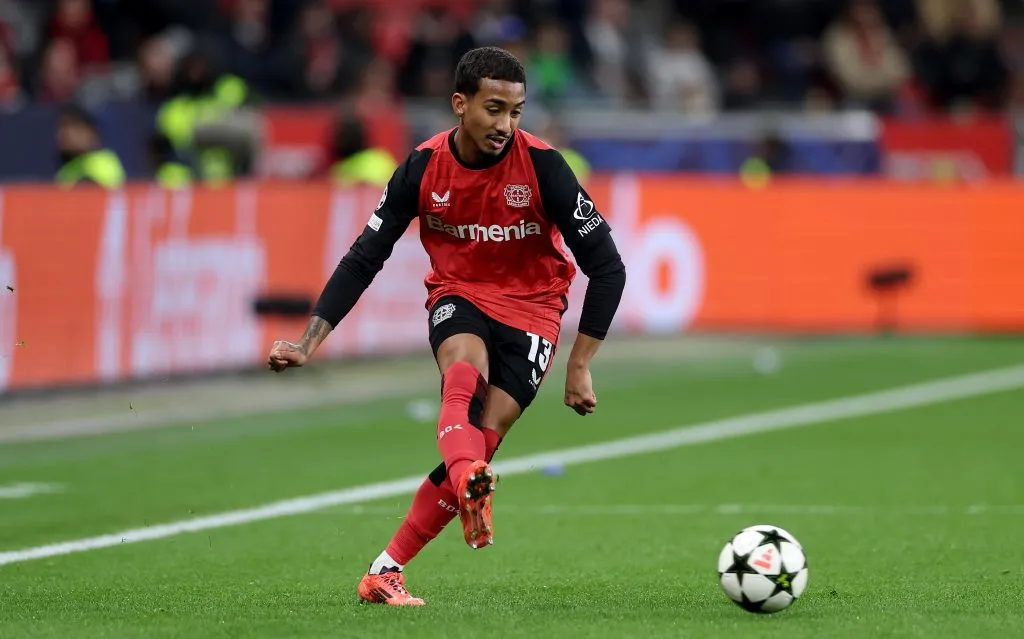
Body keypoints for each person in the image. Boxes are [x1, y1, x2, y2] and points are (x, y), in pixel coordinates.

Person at [266, 47, 627, 606]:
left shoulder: (546, 168)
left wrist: (579, 365)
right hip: (459, 293)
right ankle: (469, 483)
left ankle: (385, 570)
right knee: (464, 369)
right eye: (494, 108)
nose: (506, 125)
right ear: (460, 104)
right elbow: (366, 255)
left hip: (534, 309)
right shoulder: (421, 167)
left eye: (517, 111)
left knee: (482, 439)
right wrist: (309, 341)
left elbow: (607, 266)